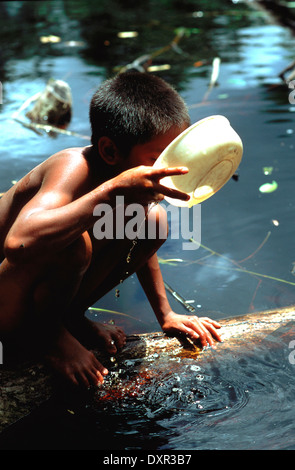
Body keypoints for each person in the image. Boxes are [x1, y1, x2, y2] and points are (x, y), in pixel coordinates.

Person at [0, 72, 221, 388]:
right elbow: (18, 243)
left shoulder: (130, 187)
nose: (167, 167)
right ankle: (50, 337)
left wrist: (165, 315)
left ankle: (69, 320)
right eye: (158, 158)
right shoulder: (73, 168)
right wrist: (112, 191)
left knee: (153, 222)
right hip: (5, 304)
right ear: (110, 151)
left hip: (31, 303)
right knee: (75, 245)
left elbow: (137, 243)